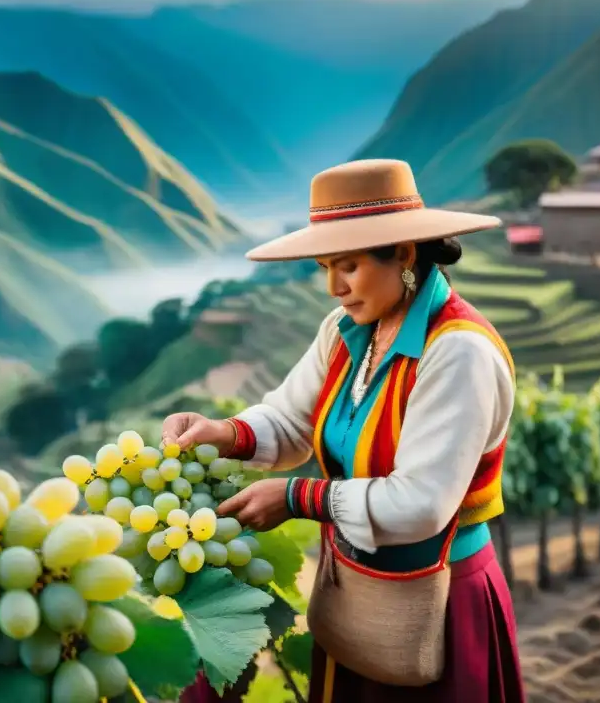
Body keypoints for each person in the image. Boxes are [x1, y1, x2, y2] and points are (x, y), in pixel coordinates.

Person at [162, 159, 525, 703]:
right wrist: (224, 432)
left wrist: (296, 497)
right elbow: (290, 420)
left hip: (441, 602)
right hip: (355, 596)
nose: (334, 287)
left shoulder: (458, 352)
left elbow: (422, 504)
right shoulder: (347, 330)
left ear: (404, 253)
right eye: (325, 266)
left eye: (348, 266)